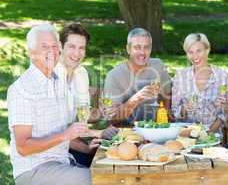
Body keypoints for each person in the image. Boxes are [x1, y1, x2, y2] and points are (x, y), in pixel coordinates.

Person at [7, 24, 91, 185]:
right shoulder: (22, 89)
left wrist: (94, 135)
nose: (51, 51)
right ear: (31, 52)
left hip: (63, 161)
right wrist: (65, 135)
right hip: (34, 168)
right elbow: (23, 147)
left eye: (54, 46)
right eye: (44, 47)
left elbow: (69, 128)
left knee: (108, 172)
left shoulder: (57, 83)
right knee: (102, 179)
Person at [56, 23, 118, 167]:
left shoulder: (81, 73)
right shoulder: (51, 78)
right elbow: (56, 135)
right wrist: (90, 144)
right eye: (72, 47)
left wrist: (101, 112)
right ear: (60, 47)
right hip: (53, 154)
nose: (77, 54)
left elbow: (83, 116)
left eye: (81, 48)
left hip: (74, 146)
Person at [104, 28, 171, 125]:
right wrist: (136, 99)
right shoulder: (114, 76)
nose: (142, 53)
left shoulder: (158, 66)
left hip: (154, 128)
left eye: (146, 47)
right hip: (126, 131)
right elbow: (112, 118)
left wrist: (163, 119)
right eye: (137, 47)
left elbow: (167, 94)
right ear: (128, 49)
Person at [171, 33, 228, 133]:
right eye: (191, 52)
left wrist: (208, 134)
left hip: (213, 135)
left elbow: (225, 113)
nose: (195, 56)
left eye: (199, 51)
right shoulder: (180, 76)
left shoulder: (222, 76)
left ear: (207, 50)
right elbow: (175, 111)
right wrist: (184, 109)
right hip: (187, 136)